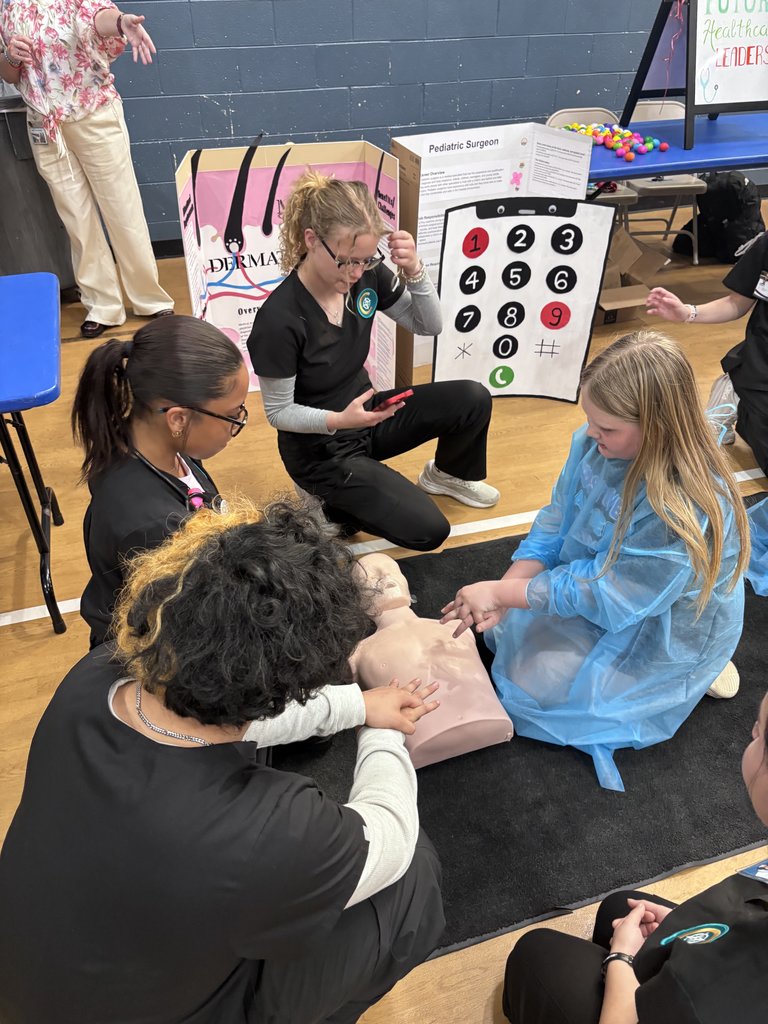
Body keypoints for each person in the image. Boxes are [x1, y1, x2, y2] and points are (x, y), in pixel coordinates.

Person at [0, 498, 445, 1024]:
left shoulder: (98, 674)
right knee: (414, 876)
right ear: (293, 686)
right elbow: (390, 835)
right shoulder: (271, 828)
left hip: (32, 980)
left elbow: (219, 713)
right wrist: (380, 731)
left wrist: (354, 705)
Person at [441, 331, 750, 791]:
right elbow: (557, 519)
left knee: (536, 685)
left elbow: (610, 592)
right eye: (590, 419)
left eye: (607, 428)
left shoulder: (683, 506)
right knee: (506, 634)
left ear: (657, 426)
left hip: (654, 611)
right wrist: (507, 589)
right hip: (609, 582)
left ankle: (697, 663)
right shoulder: (597, 443)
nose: (591, 434)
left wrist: (506, 593)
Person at [247, 170, 499, 551]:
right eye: (346, 261)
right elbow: (279, 413)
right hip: (320, 448)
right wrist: (338, 421)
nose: (355, 273)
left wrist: (414, 269)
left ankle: (447, 475)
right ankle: (324, 504)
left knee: (472, 398)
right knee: (430, 529)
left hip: (368, 414)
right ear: (311, 241)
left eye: (365, 260)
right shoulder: (279, 320)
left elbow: (428, 324)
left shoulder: (366, 276)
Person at [502, 686, 768, 1024]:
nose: (752, 733)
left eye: (760, 732)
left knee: (535, 954)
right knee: (620, 905)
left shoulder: (730, 981)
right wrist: (684, 927)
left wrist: (621, 958)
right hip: (706, 976)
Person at [72, 314, 248, 648]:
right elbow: (190, 635)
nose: (237, 424)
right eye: (233, 414)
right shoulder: (153, 526)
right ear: (178, 418)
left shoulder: (160, 446)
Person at [0, 1, 173, 338]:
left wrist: (122, 22)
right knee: (76, 219)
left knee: (122, 209)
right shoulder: (6, 6)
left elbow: (96, 20)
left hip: (93, 114)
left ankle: (149, 299)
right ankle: (102, 304)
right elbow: (8, 74)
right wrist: (11, 57)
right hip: (45, 125)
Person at [351, 552, 513, 769]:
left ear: (407, 586)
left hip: (491, 720)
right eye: (369, 579)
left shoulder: (458, 628)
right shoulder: (358, 653)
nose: (383, 578)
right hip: (422, 741)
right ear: (359, 601)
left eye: (391, 571)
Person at [646, 230, 768, 469]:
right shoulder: (765, 246)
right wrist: (687, 313)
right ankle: (735, 391)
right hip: (761, 367)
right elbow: (736, 303)